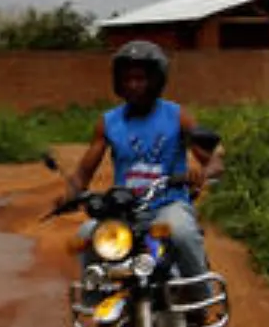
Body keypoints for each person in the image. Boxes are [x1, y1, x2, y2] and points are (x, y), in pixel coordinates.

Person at [60, 40, 217, 281]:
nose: (133, 85)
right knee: (88, 234)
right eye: (127, 79)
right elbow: (84, 172)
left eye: (141, 79)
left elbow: (212, 158)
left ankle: (201, 298)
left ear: (156, 81)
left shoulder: (177, 116)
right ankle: (95, 308)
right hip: (125, 210)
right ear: (118, 83)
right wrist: (72, 193)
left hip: (169, 203)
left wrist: (203, 172)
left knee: (183, 233)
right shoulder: (108, 122)